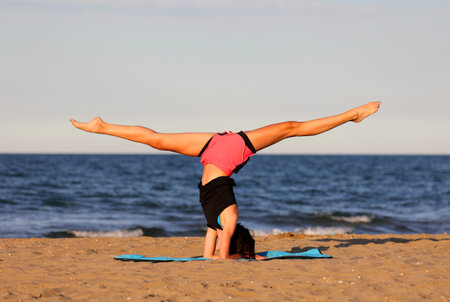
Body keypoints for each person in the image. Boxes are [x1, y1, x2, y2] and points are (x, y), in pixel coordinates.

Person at [70, 101, 381, 260]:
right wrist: (246, 257)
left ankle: (102, 127)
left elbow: (213, 259)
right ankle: (352, 114)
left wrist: (238, 256)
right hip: (229, 152)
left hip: (212, 153)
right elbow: (219, 257)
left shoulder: (217, 221)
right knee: (290, 127)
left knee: (158, 140)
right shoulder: (225, 219)